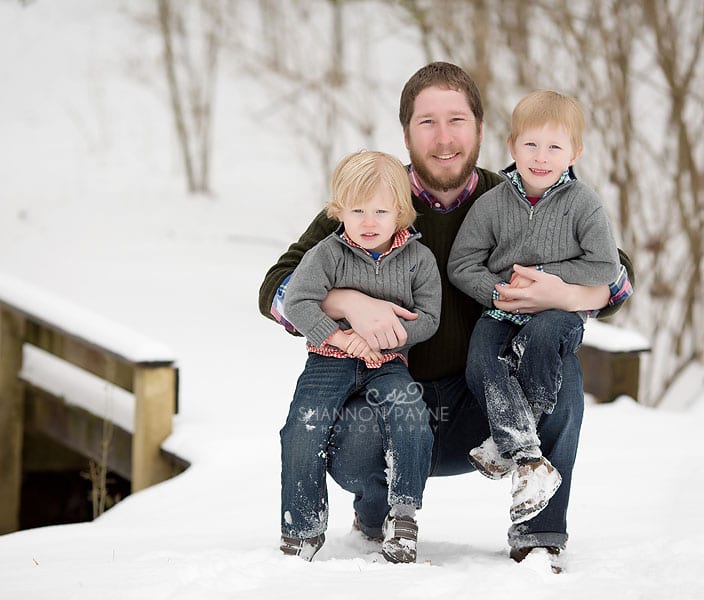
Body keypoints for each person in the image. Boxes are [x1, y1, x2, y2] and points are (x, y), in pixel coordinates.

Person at [259, 62, 633, 567]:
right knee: (354, 437)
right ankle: (376, 514)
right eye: (426, 122)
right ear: (406, 132)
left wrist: (564, 294)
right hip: (388, 394)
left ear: (481, 129)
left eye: (457, 120)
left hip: (482, 406)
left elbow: (617, 274)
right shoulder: (373, 202)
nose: (443, 138)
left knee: (560, 366)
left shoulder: (515, 194)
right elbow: (276, 286)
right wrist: (348, 303)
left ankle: (538, 533)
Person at [447, 90, 622, 527]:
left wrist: (549, 278)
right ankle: (527, 456)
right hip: (502, 310)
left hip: (556, 314)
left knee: (542, 344)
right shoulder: (492, 205)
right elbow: (461, 263)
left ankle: (506, 444)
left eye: (554, 147)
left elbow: (605, 266)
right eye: (531, 145)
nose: (541, 157)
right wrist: (496, 290)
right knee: (481, 361)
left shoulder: (584, 204)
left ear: (574, 153)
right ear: (512, 146)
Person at [278, 150, 441, 564]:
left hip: (389, 363)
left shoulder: (418, 261)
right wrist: (339, 336)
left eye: (381, 211)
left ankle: (402, 515)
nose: (369, 222)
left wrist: (388, 339)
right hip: (327, 359)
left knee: (411, 416)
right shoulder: (326, 254)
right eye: (357, 210)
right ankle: (303, 527)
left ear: (401, 213)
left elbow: (430, 317)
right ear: (339, 211)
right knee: (302, 427)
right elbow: (297, 301)